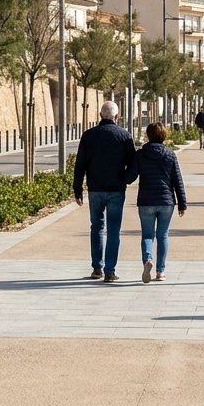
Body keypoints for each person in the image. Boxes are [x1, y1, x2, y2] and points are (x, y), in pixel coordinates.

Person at [74, 101, 137, 282]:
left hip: (95, 189)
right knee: (114, 230)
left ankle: (97, 268)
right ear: (117, 117)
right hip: (116, 189)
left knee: (96, 228)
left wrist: (78, 188)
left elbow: (80, 165)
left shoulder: (88, 136)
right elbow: (133, 164)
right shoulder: (124, 136)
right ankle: (110, 271)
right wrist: (125, 179)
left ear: (100, 116)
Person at [127, 122, 186, 283]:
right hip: (166, 201)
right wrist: (182, 203)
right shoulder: (170, 154)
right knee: (163, 235)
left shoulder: (140, 154)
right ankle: (160, 271)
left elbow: (129, 177)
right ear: (163, 135)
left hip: (146, 201)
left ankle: (147, 260)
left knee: (147, 235)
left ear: (148, 135)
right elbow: (177, 180)